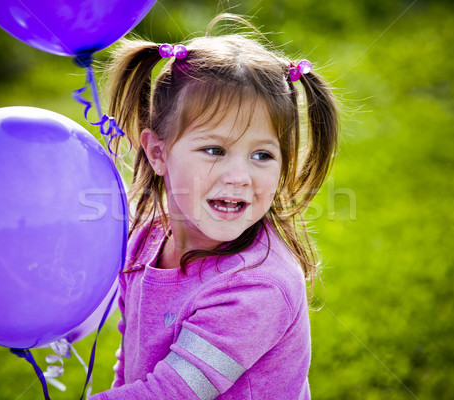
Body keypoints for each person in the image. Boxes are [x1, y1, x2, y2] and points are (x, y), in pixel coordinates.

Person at [90, 14, 338, 400]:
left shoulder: (257, 286)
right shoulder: (144, 239)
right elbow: (133, 360)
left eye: (261, 155)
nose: (239, 176)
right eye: (214, 150)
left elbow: (173, 392)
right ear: (158, 152)